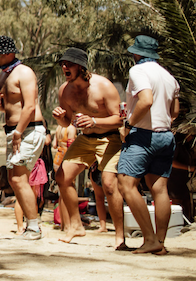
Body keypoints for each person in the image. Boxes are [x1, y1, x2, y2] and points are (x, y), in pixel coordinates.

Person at [51, 47, 126, 248]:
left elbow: (120, 120)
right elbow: (67, 123)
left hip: (109, 138)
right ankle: (76, 225)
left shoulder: (103, 86)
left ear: (82, 67)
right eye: (63, 64)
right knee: (62, 177)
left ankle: (120, 236)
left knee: (109, 185)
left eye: (70, 64)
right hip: (85, 139)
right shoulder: (64, 90)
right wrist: (60, 118)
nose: (64, 67)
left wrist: (94, 121)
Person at [117, 35, 180, 255]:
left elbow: (146, 100)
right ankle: (160, 241)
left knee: (125, 183)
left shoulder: (138, 71)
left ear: (137, 53)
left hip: (144, 135)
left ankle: (150, 238)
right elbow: (175, 111)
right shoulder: (168, 76)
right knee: (159, 188)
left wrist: (128, 124)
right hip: (166, 136)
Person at [0, 35, 45, 240]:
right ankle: (31, 226)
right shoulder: (5, 75)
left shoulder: (24, 73)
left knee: (19, 178)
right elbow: (8, 106)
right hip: (14, 132)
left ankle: (34, 227)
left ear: (9, 53)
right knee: (14, 178)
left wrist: (19, 132)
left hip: (27, 129)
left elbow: (29, 106)